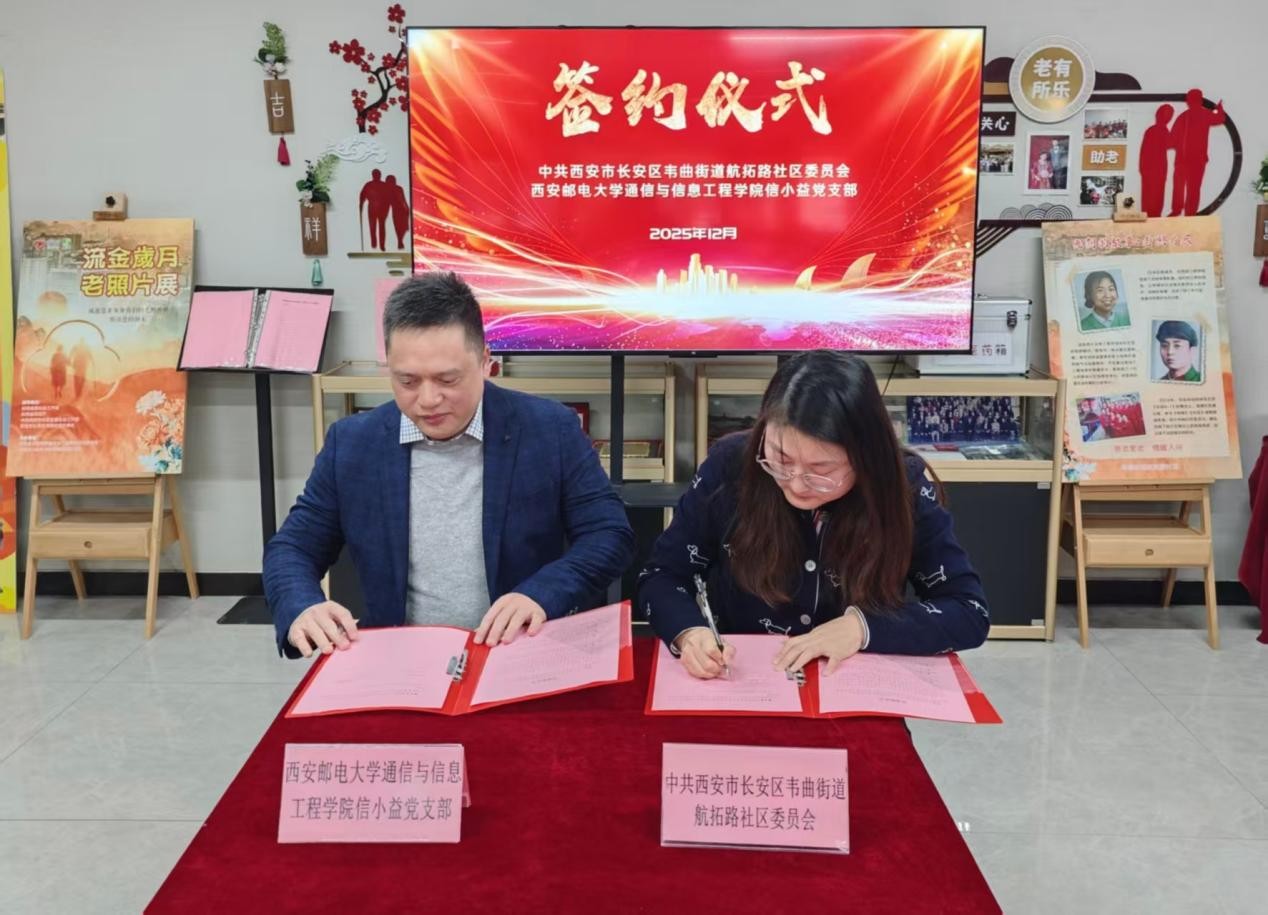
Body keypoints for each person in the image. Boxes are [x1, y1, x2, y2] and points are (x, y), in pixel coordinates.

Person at [264, 272, 636, 658]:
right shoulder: (354, 444)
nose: (428, 400)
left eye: (448, 379)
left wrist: (542, 594)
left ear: (486, 362)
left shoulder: (549, 429)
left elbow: (609, 534)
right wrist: (302, 605)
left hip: (519, 651)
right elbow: (293, 547)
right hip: (400, 658)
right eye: (408, 381)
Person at [638, 351, 989, 679]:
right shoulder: (731, 464)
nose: (796, 483)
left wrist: (861, 628)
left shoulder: (903, 486)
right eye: (780, 459)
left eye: (821, 470)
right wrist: (689, 633)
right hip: (742, 678)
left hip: (852, 683)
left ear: (866, 457)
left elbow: (968, 611)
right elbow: (662, 574)